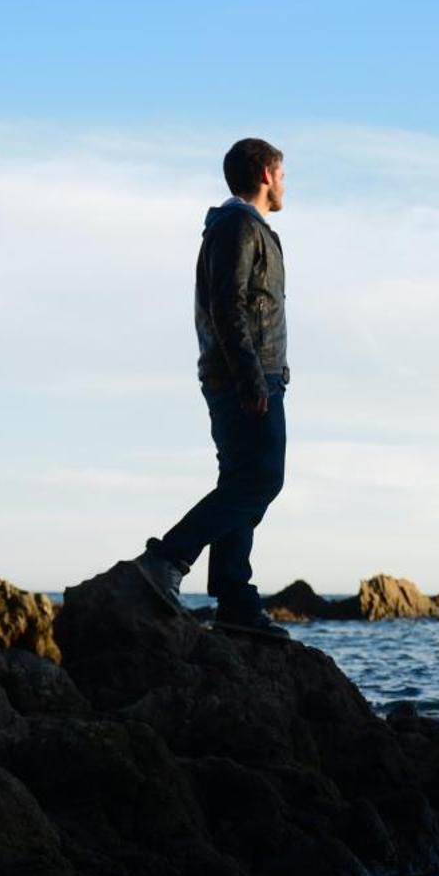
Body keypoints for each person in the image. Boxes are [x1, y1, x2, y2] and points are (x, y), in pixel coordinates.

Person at [129, 138, 292, 639]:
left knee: (241, 483)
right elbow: (229, 305)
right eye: (283, 174)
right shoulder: (239, 226)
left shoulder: (243, 227)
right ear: (265, 173)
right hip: (246, 376)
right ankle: (166, 560)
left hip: (251, 374)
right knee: (259, 481)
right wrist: (249, 377)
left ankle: (235, 600)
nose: (285, 184)